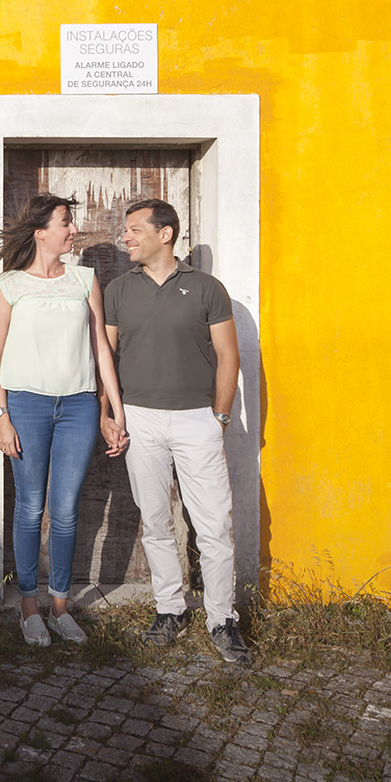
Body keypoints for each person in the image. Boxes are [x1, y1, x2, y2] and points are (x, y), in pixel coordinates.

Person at [0, 195, 128, 647]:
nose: (73, 229)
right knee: (29, 507)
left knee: (64, 511)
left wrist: (115, 409)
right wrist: (2, 416)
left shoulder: (84, 279)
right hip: (27, 406)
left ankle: (60, 607)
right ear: (41, 232)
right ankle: (28, 607)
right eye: (65, 222)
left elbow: (101, 348)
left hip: (78, 406)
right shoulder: (10, 285)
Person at [103, 199, 251, 666]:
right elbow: (105, 358)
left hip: (197, 420)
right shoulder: (118, 290)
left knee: (214, 525)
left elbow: (230, 356)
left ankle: (222, 620)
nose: (125, 237)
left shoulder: (207, 288)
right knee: (156, 522)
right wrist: (107, 413)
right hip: (139, 418)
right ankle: (170, 610)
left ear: (165, 234)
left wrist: (220, 418)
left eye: (133, 229)